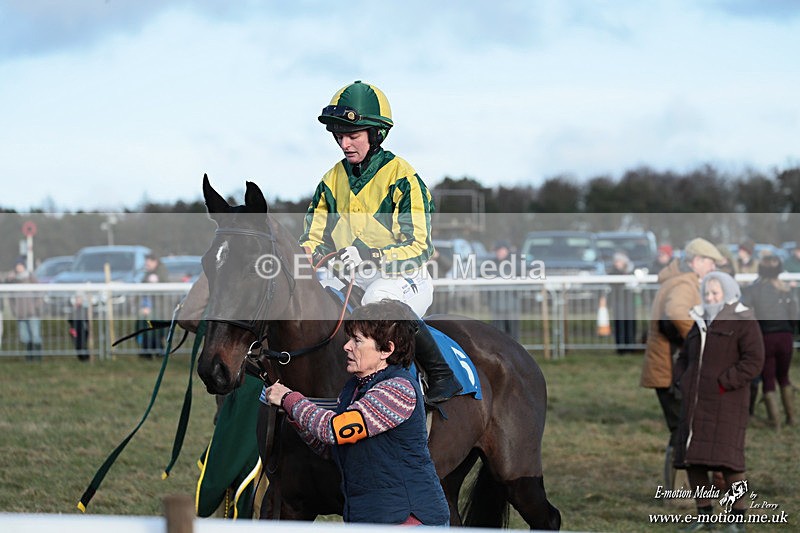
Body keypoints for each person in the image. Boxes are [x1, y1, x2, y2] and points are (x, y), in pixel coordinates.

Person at [298, 80, 460, 404]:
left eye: (352, 135)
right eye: (339, 135)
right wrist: (314, 256)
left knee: (377, 297)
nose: (344, 143)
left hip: (402, 277)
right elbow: (311, 237)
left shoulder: (403, 177)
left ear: (376, 134)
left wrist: (371, 256)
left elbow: (419, 246)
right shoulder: (330, 181)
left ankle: (441, 374)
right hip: (348, 279)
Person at [263, 300, 450, 526]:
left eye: (357, 340)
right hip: (369, 517)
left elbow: (335, 430)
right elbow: (332, 448)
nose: (346, 346)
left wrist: (290, 399)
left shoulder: (397, 389)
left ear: (387, 350)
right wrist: (292, 415)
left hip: (408, 519)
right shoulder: (354, 388)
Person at [672, 272, 764, 530]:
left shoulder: (744, 319)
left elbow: (754, 361)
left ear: (728, 292)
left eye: (715, 293)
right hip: (695, 403)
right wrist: (683, 379)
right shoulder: (699, 320)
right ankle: (704, 515)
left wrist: (723, 382)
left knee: (729, 461)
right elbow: (684, 356)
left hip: (726, 402)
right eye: (707, 293)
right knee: (694, 459)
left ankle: (738, 519)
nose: (710, 297)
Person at [640, 238, 724, 490]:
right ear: (696, 261)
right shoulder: (685, 283)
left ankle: (681, 489)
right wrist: (701, 338)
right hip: (671, 370)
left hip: (666, 367)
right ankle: (679, 492)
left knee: (681, 429)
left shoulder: (676, 279)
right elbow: (677, 310)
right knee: (682, 431)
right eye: (710, 262)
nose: (712, 268)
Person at [742, 254, 798, 428]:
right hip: (786, 337)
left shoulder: (753, 290)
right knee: (784, 377)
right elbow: (795, 317)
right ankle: (791, 417)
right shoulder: (787, 290)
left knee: (768, 379)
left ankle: (775, 421)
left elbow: (743, 310)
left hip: (765, 338)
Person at [6, 258, 43, 361]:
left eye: (20, 265)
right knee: (24, 337)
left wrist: (36, 306)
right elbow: (11, 298)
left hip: (33, 313)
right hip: (20, 314)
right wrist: (14, 310)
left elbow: (39, 293)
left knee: (35, 336)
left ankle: (38, 358)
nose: (19, 268)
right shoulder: (13, 281)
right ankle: (29, 357)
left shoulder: (31, 278)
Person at [486, 240, 523, 341]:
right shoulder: (490, 265)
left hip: (512, 307)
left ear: (507, 250)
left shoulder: (516, 264)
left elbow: (524, 281)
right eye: (497, 250)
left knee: (513, 337)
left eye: (501, 250)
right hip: (497, 307)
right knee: (498, 336)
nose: (499, 252)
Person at [138, 253, 168, 358]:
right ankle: (149, 351)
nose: (146, 263)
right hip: (151, 309)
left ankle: (152, 352)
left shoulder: (158, 273)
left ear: (154, 261)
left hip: (158, 309)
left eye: (148, 261)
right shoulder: (149, 273)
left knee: (154, 330)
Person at [608, 251, 637, 354]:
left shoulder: (631, 271)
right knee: (619, 324)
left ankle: (631, 346)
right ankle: (620, 348)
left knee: (630, 323)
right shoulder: (612, 272)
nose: (617, 263)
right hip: (618, 301)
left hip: (628, 301)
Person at [68, 293, 90, 361]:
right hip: (74, 330)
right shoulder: (74, 309)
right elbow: (70, 320)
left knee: (82, 344)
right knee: (77, 344)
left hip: (83, 330)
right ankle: (81, 358)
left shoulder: (84, 309)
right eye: (77, 299)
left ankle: (85, 357)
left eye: (79, 299)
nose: (78, 301)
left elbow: (87, 320)